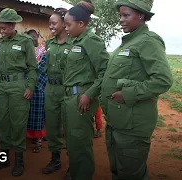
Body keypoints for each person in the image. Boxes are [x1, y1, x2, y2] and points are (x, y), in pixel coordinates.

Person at [100, 0, 173, 179]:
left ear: (141, 15)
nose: (121, 20)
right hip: (118, 120)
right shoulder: (127, 43)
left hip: (132, 124)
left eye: (126, 15)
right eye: (120, 15)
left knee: (131, 173)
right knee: (118, 169)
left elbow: (163, 80)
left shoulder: (148, 41)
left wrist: (129, 94)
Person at [63, 1, 109, 179]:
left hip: (81, 99)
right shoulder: (76, 41)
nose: (66, 28)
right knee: (73, 141)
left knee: (81, 142)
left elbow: (104, 71)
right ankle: (75, 172)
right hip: (70, 98)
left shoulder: (92, 41)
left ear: (81, 24)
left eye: (69, 24)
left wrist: (89, 95)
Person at [0, 8, 38, 177]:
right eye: (0, 28)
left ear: (13, 25)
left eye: (4, 28)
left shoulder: (26, 41)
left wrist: (30, 87)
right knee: (1, 122)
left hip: (19, 85)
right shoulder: (1, 43)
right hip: (2, 86)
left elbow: (33, 68)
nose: (1, 31)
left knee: (18, 122)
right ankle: (4, 158)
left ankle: (19, 160)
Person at [42, 8, 73, 179]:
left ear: (64, 23)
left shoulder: (75, 43)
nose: (51, 26)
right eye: (49, 23)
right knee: (52, 128)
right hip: (51, 89)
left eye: (54, 23)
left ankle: (73, 164)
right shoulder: (49, 44)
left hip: (68, 90)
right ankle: (55, 160)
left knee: (69, 128)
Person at [25, 29, 47, 153]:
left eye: (34, 36)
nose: (32, 39)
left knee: (39, 114)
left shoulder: (43, 51)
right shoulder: (27, 51)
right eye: (29, 37)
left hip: (39, 87)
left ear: (37, 36)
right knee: (27, 113)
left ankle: (39, 140)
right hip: (27, 86)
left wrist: (36, 84)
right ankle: (30, 137)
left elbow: (44, 69)